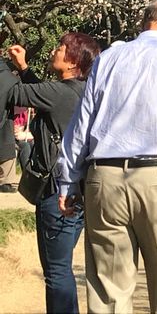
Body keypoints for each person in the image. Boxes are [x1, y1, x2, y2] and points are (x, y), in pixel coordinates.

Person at [57, 1, 157, 314]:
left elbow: (82, 124)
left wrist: (68, 181)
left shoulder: (108, 59)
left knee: (108, 289)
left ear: (143, 25)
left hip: (105, 179)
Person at [0, 33, 101, 314]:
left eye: (61, 48)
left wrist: (3, 67)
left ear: (74, 62)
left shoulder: (59, 92)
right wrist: (23, 68)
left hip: (56, 192)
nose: (54, 51)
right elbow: (43, 95)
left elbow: (15, 94)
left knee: (56, 271)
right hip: (78, 186)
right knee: (62, 266)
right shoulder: (80, 91)